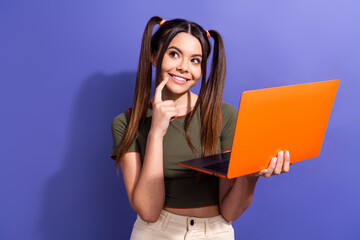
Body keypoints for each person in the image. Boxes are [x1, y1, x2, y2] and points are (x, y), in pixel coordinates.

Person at [110, 16, 291, 240]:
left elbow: (230, 211)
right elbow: (148, 211)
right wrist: (156, 132)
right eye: (174, 54)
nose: (184, 67)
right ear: (154, 55)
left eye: (196, 60)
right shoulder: (126, 122)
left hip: (215, 232)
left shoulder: (223, 115)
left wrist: (250, 176)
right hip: (156, 232)